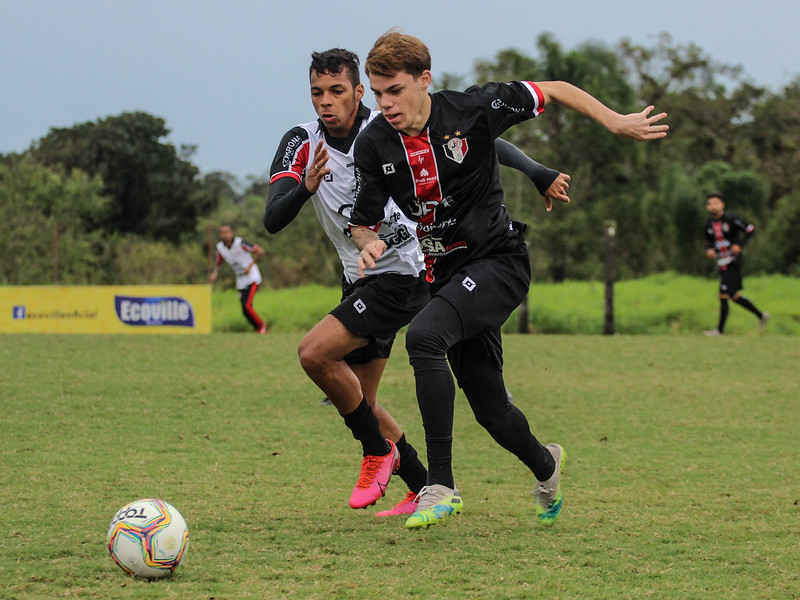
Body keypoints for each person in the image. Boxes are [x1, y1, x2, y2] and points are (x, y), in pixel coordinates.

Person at [349, 30, 668, 529]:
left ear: (424, 81)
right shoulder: (373, 145)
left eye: (396, 90)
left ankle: (441, 486)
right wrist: (367, 240)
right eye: (378, 93)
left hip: (500, 262)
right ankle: (546, 463)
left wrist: (615, 121)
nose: (386, 103)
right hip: (448, 277)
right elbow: (363, 219)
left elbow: (556, 88)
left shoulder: (472, 108)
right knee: (491, 410)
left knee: (424, 336)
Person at [264, 48, 570, 516]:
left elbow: (480, 140)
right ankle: (431, 480)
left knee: (320, 353)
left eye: (337, 91)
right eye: (317, 93)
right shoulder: (303, 142)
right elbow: (272, 218)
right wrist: (307, 188)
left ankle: (402, 466)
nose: (325, 102)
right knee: (369, 402)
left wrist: (537, 171)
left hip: (409, 271)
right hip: (368, 276)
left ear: (359, 92)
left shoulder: (389, 125)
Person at [702, 193, 769, 336]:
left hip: (733, 262)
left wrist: (740, 245)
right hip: (721, 263)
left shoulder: (732, 219)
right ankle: (761, 316)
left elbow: (750, 230)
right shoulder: (708, 224)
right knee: (733, 296)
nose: (713, 206)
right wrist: (709, 250)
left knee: (723, 294)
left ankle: (719, 331)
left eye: (716, 203)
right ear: (708, 207)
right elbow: (707, 241)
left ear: (722, 205)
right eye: (710, 204)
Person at [209, 224, 268, 334]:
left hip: (252, 277)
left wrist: (250, 266)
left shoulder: (241, 243)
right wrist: (215, 273)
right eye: (222, 232)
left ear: (232, 233)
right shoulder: (220, 248)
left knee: (247, 305)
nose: (225, 235)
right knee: (245, 311)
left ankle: (262, 327)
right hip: (240, 280)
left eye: (227, 232)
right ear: (220, 235)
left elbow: (260, 251)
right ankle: (259, 329)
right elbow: (218, 262)